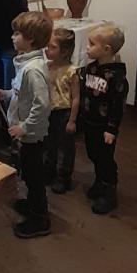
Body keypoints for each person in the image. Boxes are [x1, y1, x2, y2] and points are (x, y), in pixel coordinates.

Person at [0, 11, 52, 239]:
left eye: (17, 33)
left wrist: (25, 127)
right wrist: (6, 93)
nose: (12, 37)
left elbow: (42, 104)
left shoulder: (33, 70)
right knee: (28, 172)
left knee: (34, 176)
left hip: (32, 135)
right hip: (26, 133)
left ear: (31, 39)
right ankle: (32, 204)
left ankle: (40, 218)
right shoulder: (25, 64)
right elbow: (22, 93)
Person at [80, 24, 129, 215]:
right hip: (90, 122)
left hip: (104, 127)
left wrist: (112, 129)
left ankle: (109, 190)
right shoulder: (91, 68)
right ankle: (99, 181)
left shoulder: (116, 78)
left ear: (106, 49)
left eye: (92, 44)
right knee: (92, 153)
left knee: (105, 158)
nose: (87, 47)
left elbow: (118, 106)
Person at [44, 28, 80, 194]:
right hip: (49, 111)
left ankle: (64, 177)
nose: (47, 50)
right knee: (49, 143)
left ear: (65, 51)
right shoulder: (47, 67)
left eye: (52, 47)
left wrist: (72, 120)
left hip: (64, 113)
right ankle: (49, 171)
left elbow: (76, 98)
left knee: (66, 147)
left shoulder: (71, 72)